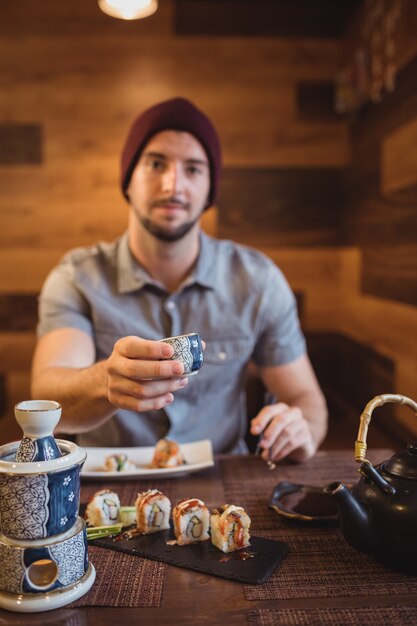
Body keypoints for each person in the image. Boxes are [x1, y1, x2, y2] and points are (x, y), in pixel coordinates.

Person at [31, 97, 328, 463]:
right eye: (156, 164)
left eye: (193, 169)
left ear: (209, 190)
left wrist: (302, 431)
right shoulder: (76, 277)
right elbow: (48, 398)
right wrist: (107, 381)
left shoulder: (258, 280)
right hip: (108, 486)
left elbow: (307, 400)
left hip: (223, 487)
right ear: (128, 178)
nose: (173, 185)